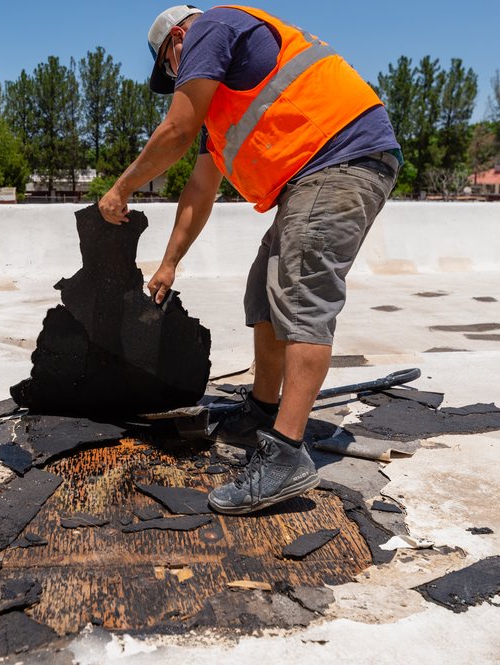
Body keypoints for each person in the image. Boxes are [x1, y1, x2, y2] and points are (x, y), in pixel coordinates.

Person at [98, 5, 401, 515]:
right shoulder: (218, 117)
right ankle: (262, 411)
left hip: (341, 159)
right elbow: (199, 190)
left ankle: (286, 454)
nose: (179, 76)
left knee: (303, 297)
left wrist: (122, 188)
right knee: (264, 290)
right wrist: (169, 263)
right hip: (311, 178)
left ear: (178, 40)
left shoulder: (212, 27)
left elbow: (174, 128)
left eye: (171, 68)